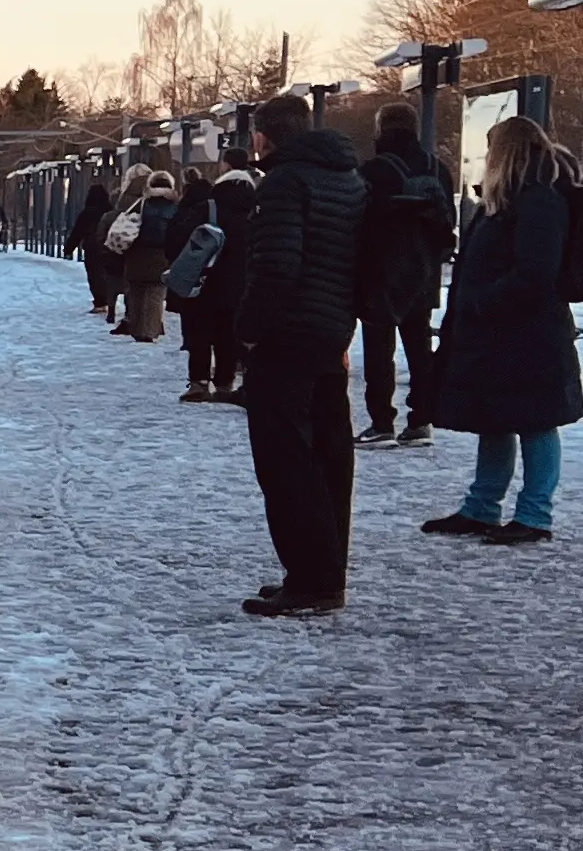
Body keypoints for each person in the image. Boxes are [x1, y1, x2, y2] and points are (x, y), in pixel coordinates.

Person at [232, 91, 366, 616]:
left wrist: (249, 330)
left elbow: (276, 266)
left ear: (262, 137)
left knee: (286, 461)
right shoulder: (347, 178)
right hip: (331, 332)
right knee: (331, 457)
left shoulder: (284, 184)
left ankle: (310, 579)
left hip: (285, 339)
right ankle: (327, 571)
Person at [417, 118, 578, 545]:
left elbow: (537, 270)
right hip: (503, 335)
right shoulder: (512, 200)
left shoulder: (538, 200)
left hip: (527, 335)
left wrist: (483, 300)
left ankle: (534, 514)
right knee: (498, 416)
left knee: (535, 421)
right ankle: (482, 506)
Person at [355, 104, 455, 448]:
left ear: (381, 128)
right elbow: (448, 222)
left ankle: (382, 422)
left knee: (379, 351)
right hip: (424, 272)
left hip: (381, 272)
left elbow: (359, 222)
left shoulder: (373, 170)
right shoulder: (437, 168)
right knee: (419, 348)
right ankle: (421, 421)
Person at [176, 162, 259, 402]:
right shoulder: (257, 212)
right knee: (229, 333)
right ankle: (225, 381)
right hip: (240, 284)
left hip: (204, 281)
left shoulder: (207, 209)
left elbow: (180, 238)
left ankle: (199, 382)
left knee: (199, 332)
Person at [119, 171, 183, 342]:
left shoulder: (141, 203)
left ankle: (137, 327)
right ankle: (150, 330)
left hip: (137, 254)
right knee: (155, 293)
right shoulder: (175, 206)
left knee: (137, 292)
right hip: (161, 254)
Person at [74, 173, 119, 320]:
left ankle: (100, 302)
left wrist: (69, 248)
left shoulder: (86, 213)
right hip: (108, 247)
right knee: (108, 275)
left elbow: (77, 231)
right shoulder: (110, 211)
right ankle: (108, 300)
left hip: (91, 248)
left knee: (94, 275)